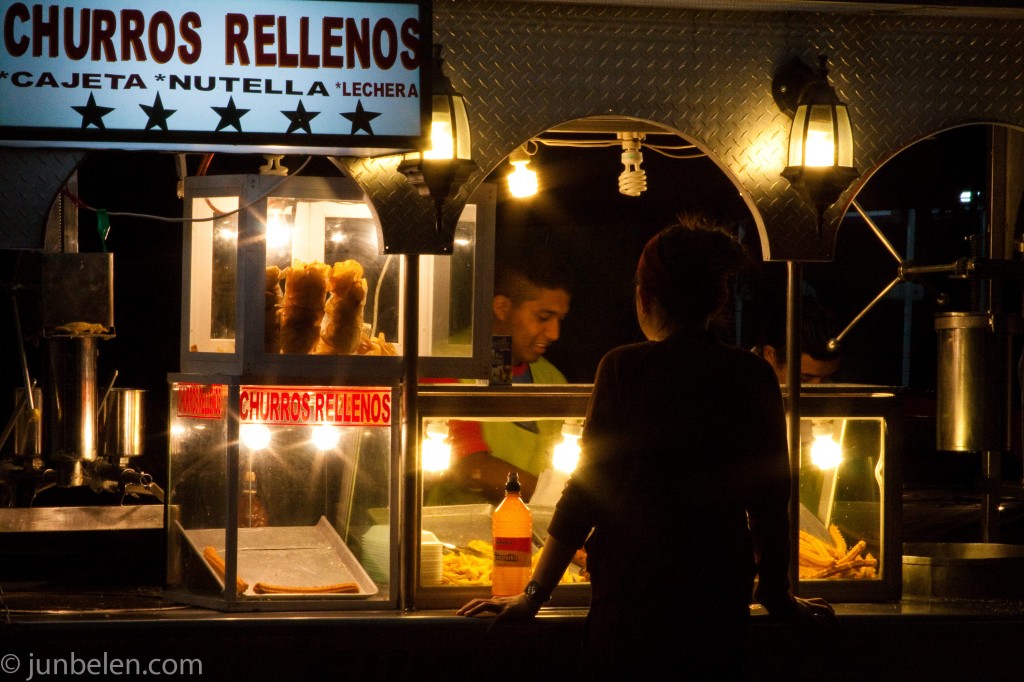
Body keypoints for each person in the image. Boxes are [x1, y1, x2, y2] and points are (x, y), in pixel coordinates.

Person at [458, 215, 835, 681]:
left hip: (631, 601)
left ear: (644, 298)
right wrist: (778, 597)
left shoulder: (624, 368)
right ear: (718, 298)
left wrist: (534, 595)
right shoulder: (752, 375)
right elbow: (772, 500)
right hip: (719, 603)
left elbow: (585, 495)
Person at [426, 249, 573, 506]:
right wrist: (552, 498)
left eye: (559, 320)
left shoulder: (552, 378)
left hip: (532, 537)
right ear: (502, 307)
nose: (554, 333)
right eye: (543, 317)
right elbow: (470, 466)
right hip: (452, 537)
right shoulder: (450, 364)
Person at [752, 296, 842, 384]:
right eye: (804, 379)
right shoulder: (743, 391)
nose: (817, 390)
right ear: (770, 355)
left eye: (826, 379)